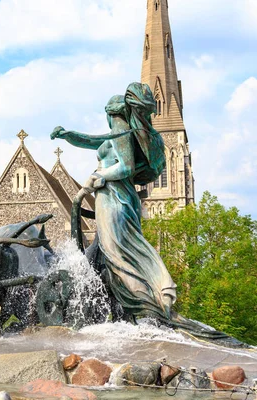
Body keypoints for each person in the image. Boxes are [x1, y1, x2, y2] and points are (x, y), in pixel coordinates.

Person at [51, 82, 176, 320]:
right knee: (120, 249)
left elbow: (126, 166)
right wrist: (68, 136)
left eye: (109, 114)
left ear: (115, 113)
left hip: (114, 196)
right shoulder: (120, 132)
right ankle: (144, 298)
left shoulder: (120, 128)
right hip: (116, 195)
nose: (108, 118)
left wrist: (97, 176)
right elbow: (92, 141)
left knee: (118, 253)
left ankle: (145, 303)